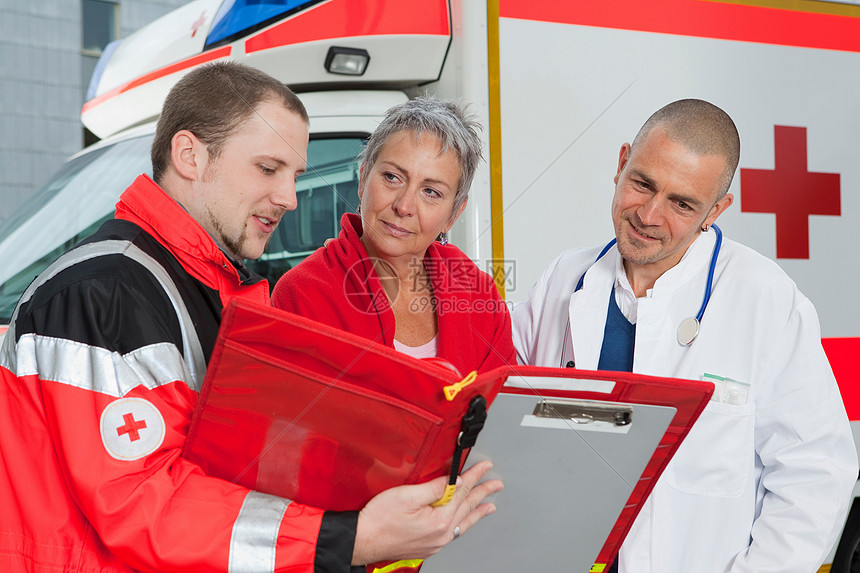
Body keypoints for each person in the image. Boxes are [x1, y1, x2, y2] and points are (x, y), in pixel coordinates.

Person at [0, 62, 501, 573]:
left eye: (295, 176)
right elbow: (144, 508)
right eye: (268, 169)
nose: (288, 197)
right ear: (190, 156)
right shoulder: (105, 291)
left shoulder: (204, 290)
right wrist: (349, 538)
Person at [511, 99, 857, 572]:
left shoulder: (765, 298)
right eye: (643, 183)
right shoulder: (564, 279)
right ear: (621, 163)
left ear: (716, 209)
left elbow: (816, 475)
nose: (649, 215)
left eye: (681, 203)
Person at [272, 97, 516, 376]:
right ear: (363, 179)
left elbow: (501, 409)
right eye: (392, 177)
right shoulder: (303, 293)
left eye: (431, 192)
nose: (404, 206)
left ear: (453, 215)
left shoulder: (479, 294)